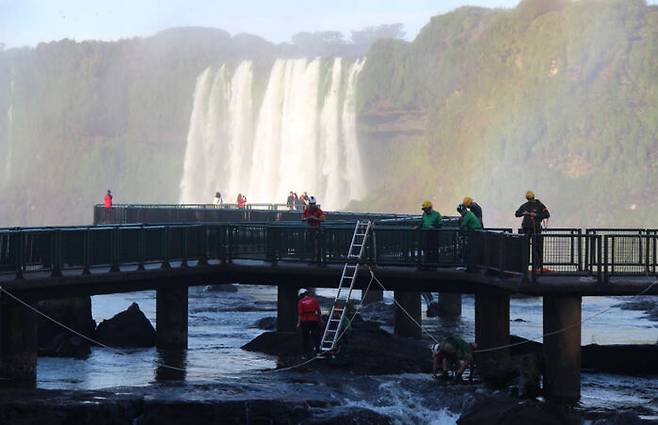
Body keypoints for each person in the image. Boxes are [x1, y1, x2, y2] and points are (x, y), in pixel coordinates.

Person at [515, 191, 550, 270]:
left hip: (535, 229)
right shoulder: (526, 205)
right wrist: (524, 213)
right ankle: (526, 267)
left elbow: (547, 214)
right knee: (527, 248)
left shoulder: (539, 205)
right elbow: (517, 214)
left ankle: (536, 267)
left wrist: (536, 215)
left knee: (536, 248)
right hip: (527, 228)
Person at [415, 200, 442, 266]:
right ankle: (426, 264)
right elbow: (422, 222)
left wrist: (433, 227)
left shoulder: (437, 214)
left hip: (434, 235)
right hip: (425, 234)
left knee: (434, 250)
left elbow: (440, 224)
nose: (424, 211)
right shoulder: (424, 214)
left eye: (425, 209)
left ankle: (434, 265)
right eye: (424, 209)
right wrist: (418, 226)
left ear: (430, 208)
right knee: (426, 249)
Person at [297, 288, 322, 357]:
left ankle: (305, 353)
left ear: (301, 295)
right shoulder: (314, 300)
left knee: (305, 337)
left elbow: (300, 314)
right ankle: (318, 352)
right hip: (314, 320)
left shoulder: (300, 302)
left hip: (304, 321)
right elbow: (319, 311)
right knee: (316, 336)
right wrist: (320, 320)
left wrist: (298, 323)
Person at [302, 196, 325, 263]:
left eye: (313, 204)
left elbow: (323, 219)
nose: (312, 205)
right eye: (311, 204)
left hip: (317, 230)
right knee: (310, 245)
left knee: (317, 246)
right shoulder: (306, 210)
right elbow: (302, 218)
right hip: (309, 230)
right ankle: (312, 259)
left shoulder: (319, 210)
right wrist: (308, 218)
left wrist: (315, 218)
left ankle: (317, 260)